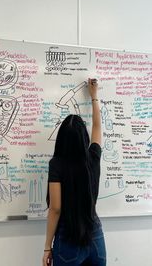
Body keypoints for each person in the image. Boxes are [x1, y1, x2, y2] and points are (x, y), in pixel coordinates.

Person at [42, 78, 106, 266]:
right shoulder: (93, 158)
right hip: (95, 236)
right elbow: (97, 127)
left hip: (68, 238)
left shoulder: (57, 164)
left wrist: (47, 247)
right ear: (83, 138)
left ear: (61, 139)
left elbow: (55, 208)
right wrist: (94, 96)